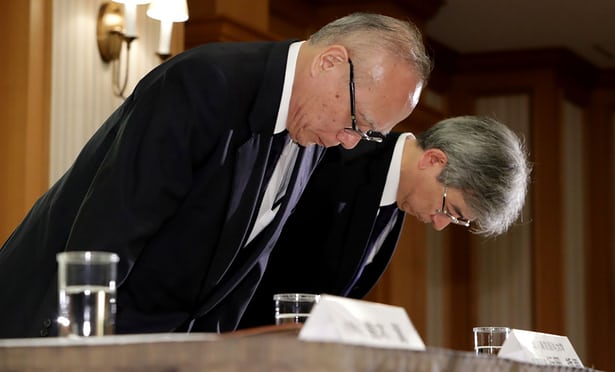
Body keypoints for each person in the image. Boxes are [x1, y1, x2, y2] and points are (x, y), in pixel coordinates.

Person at [0, 13, 431, 338]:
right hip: (53, 328)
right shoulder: (204, 83)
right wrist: (77, 345)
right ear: (330, 62)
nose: (351, 141)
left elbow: (243, 271)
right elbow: (111, 229)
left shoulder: (313, 133)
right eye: (357, 121)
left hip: (160, 345)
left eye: (369, 135)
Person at [239, 116, 531, 328]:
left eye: (457, 221)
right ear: (433, 160)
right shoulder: (337, 157)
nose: (440, 224)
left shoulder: (399, 202)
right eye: (449, 209)